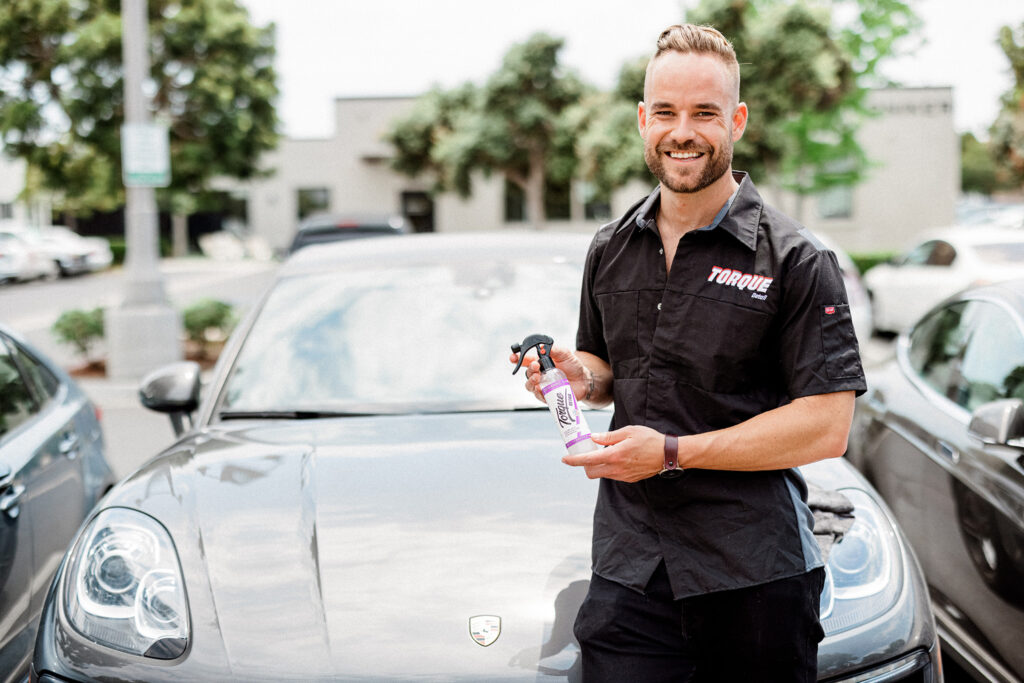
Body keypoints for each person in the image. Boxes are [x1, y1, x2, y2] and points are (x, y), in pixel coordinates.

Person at [511, 23, 866, 682]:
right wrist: (577, 375)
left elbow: (827, 423)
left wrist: (672, 452)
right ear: (643, 121)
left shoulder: (796, 259)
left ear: (737, 120)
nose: (684, 131)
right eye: (667, 113)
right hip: (630, 568)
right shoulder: (610, 247)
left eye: (705, 113)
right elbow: (610, 368)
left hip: (754, 574)